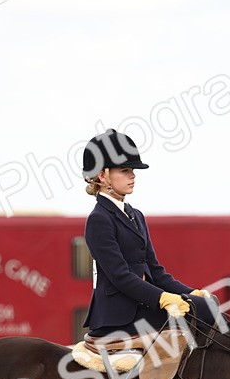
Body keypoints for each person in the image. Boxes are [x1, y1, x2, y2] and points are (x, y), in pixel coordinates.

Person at [80, 129, 214, 338]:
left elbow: (156, 272)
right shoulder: (99, 219)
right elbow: (120, 277)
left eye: (132, 170)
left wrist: (189, 292)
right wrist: (163, 298)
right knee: (199, 312)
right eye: (124, 170)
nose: (132, 175)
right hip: (119, 315)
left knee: (207, 305)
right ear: (102, 175)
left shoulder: (136, 215)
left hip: (142, 306)